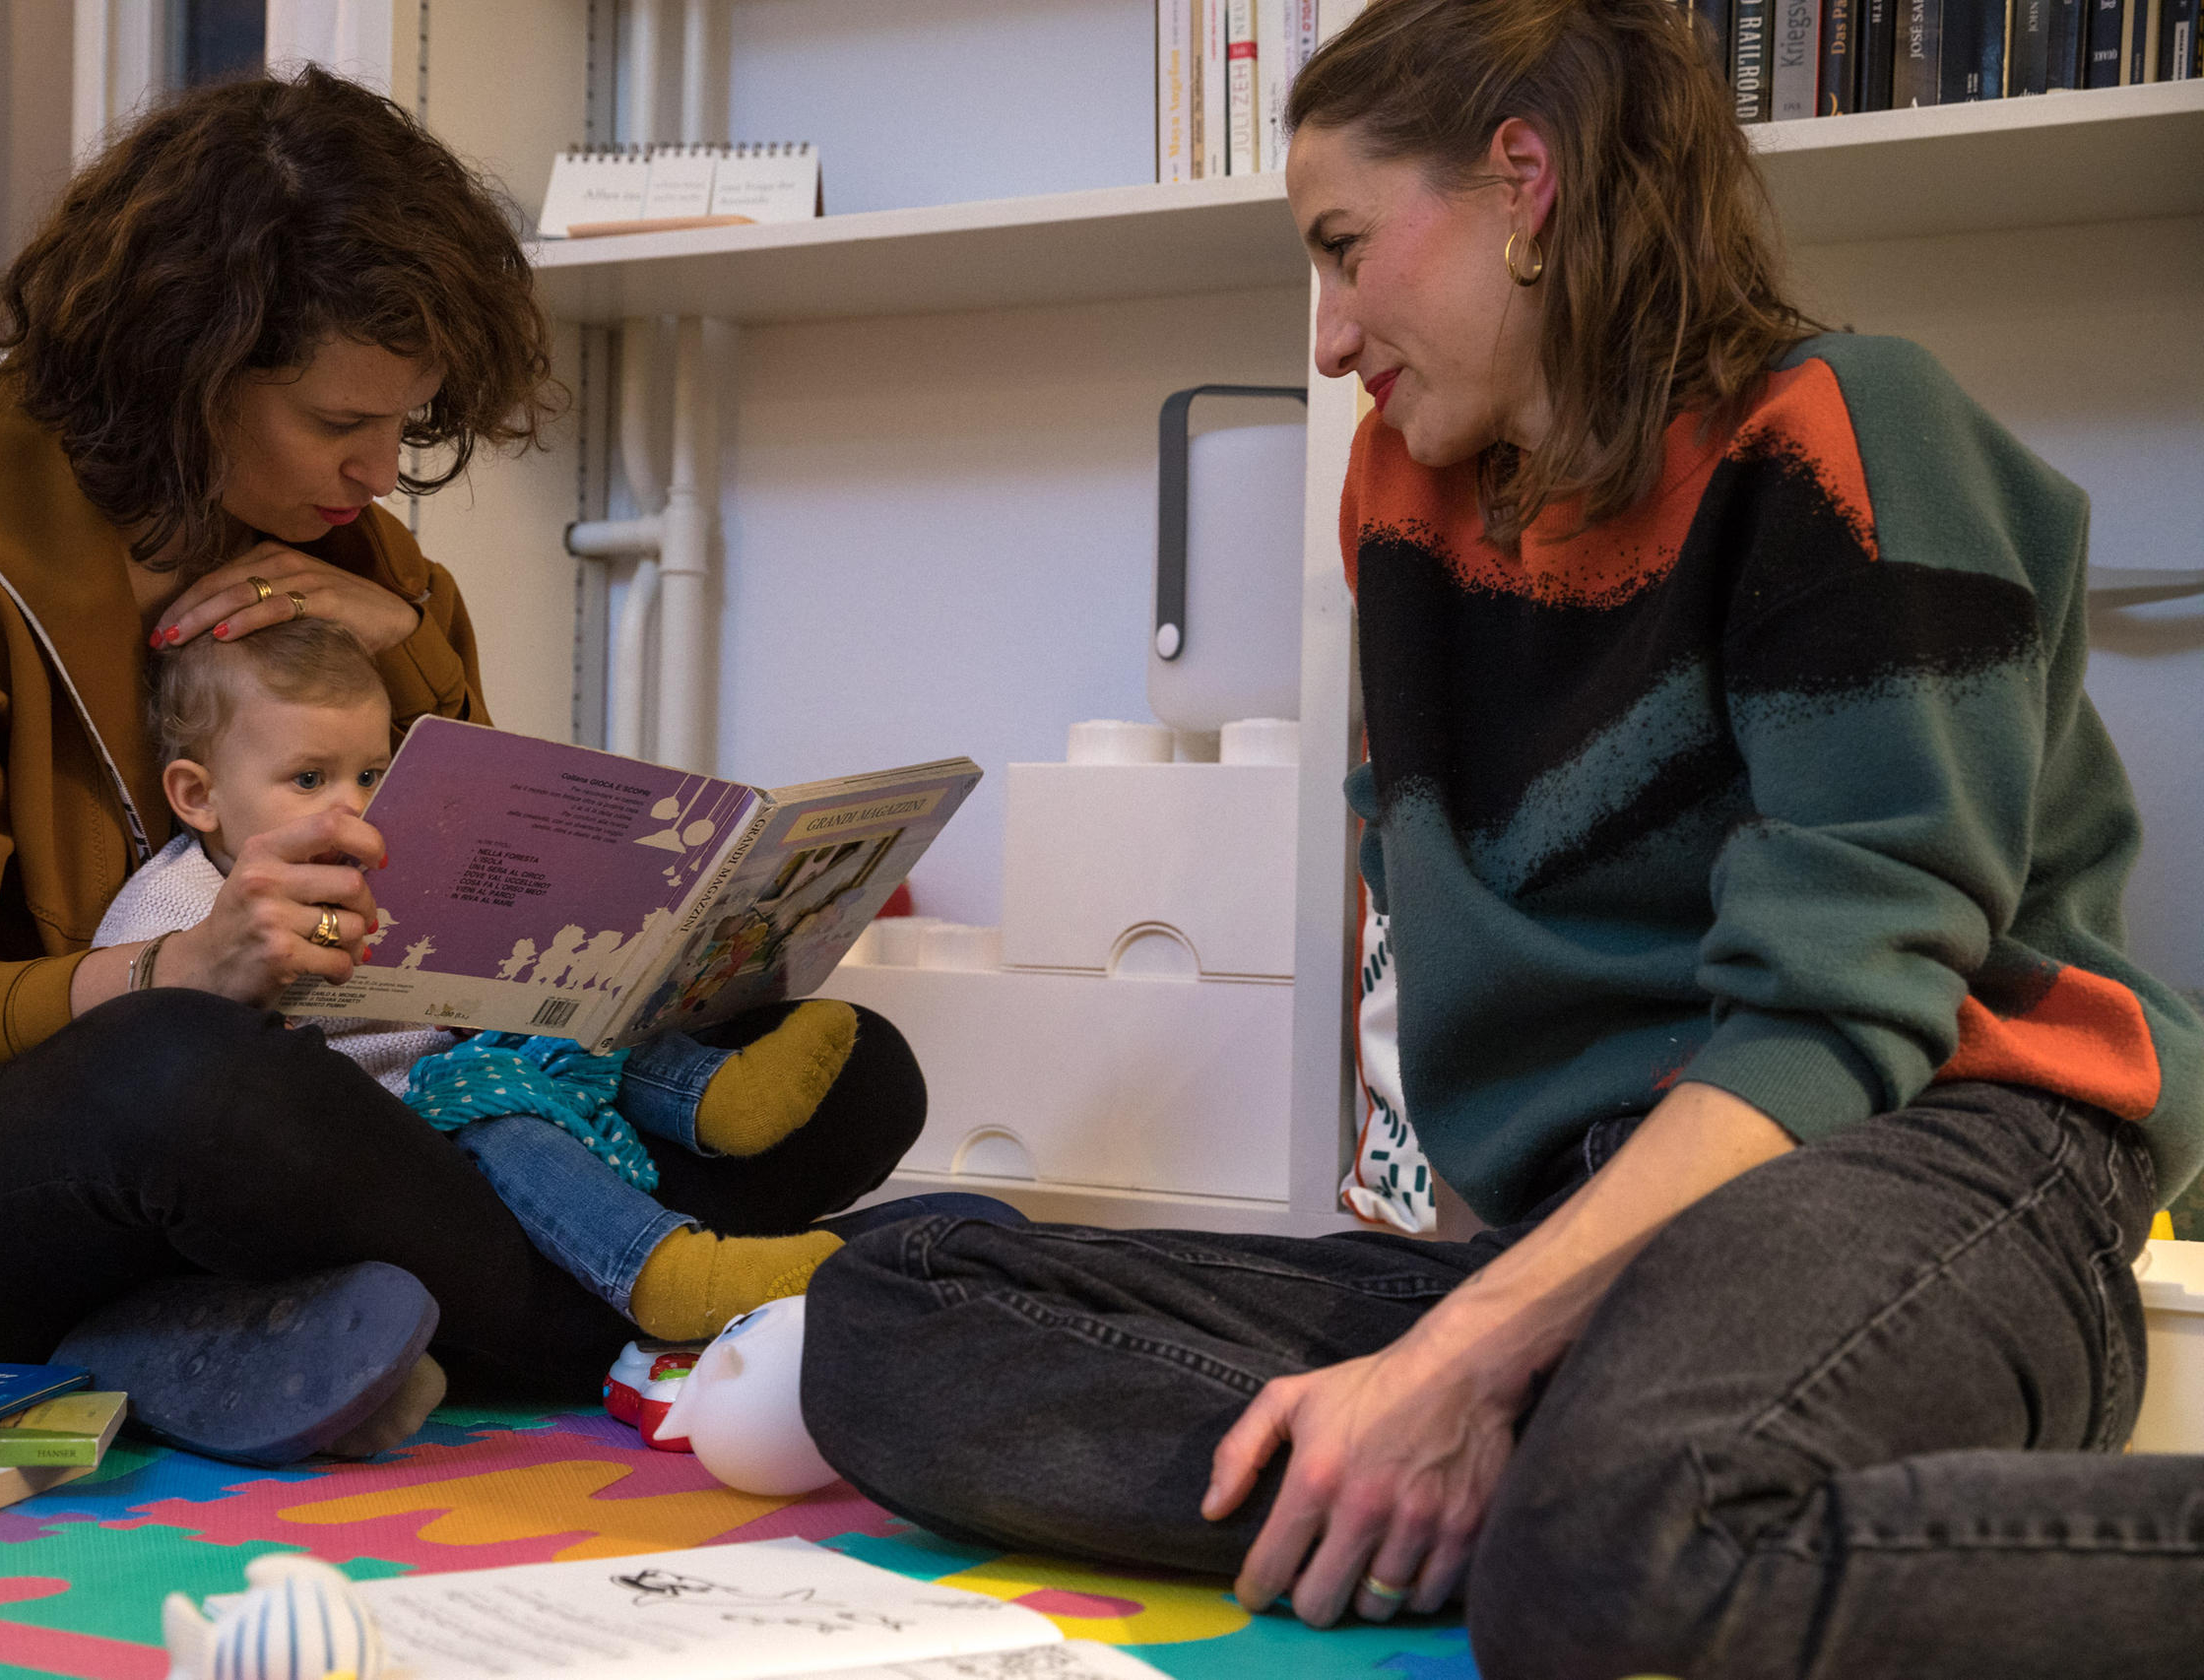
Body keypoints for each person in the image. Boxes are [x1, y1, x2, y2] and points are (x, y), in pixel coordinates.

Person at [799, 3, 2204, 1676]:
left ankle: (1587, 1518)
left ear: (1523, 182)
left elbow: (1848, 1012)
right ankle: (1540, 1497)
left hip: (1928, 1148)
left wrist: (1466, 1358)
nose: (1327, 339)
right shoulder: (1406, 496)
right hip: (1606, 1229)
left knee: (1609, 1567)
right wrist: (1460, 1337)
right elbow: (1443, 960)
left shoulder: (1839, 430)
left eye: (1343, 247)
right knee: (887, 1308)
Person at [0, 68, 928, 1466]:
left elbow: (459, 943)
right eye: (338, 422)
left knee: (861, 1078)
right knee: (188, 1070)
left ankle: (243, 1328)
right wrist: (171, 973)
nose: (378, 472)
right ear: (178, 362)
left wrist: (415, 638)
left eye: (405, 427)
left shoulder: (350, 556)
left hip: (349, 1108)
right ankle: (663, 1312)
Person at [97, 617, 860, 1343]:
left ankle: (717, 1097)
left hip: (464, 1050)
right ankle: (662, 1270)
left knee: (572, 1010)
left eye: (371, 773)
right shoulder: (176, 904)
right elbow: (148, 1063)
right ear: (199, 797)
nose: (354, 806)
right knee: (504, 1126)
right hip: (384, 1120)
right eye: (307, 778)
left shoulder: (380, 866)